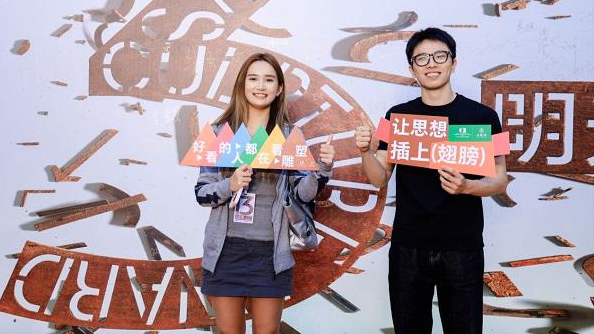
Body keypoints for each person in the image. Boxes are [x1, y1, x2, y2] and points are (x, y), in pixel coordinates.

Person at [355, 28, 508, 334]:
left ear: (453, 62)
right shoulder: (396, 117)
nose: (431, 64)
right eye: (421, 58)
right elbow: (379, 178)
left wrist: (467, 187)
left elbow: (500, 180)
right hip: (409, 246)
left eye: (440, 56)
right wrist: (364, 152)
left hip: (461, 246)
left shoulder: (484, 116)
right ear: (411, 68)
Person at [195, 53, 335, 334]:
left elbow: (303, 194)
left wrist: (322, 168)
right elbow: (201, 193)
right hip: (225, 251)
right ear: (242, 84)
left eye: (269, 80)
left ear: (279, 88)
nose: (260, 86)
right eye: (253, 78)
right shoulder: (220, 133)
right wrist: (230, 184)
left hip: (271, 252)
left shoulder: (289, 136)